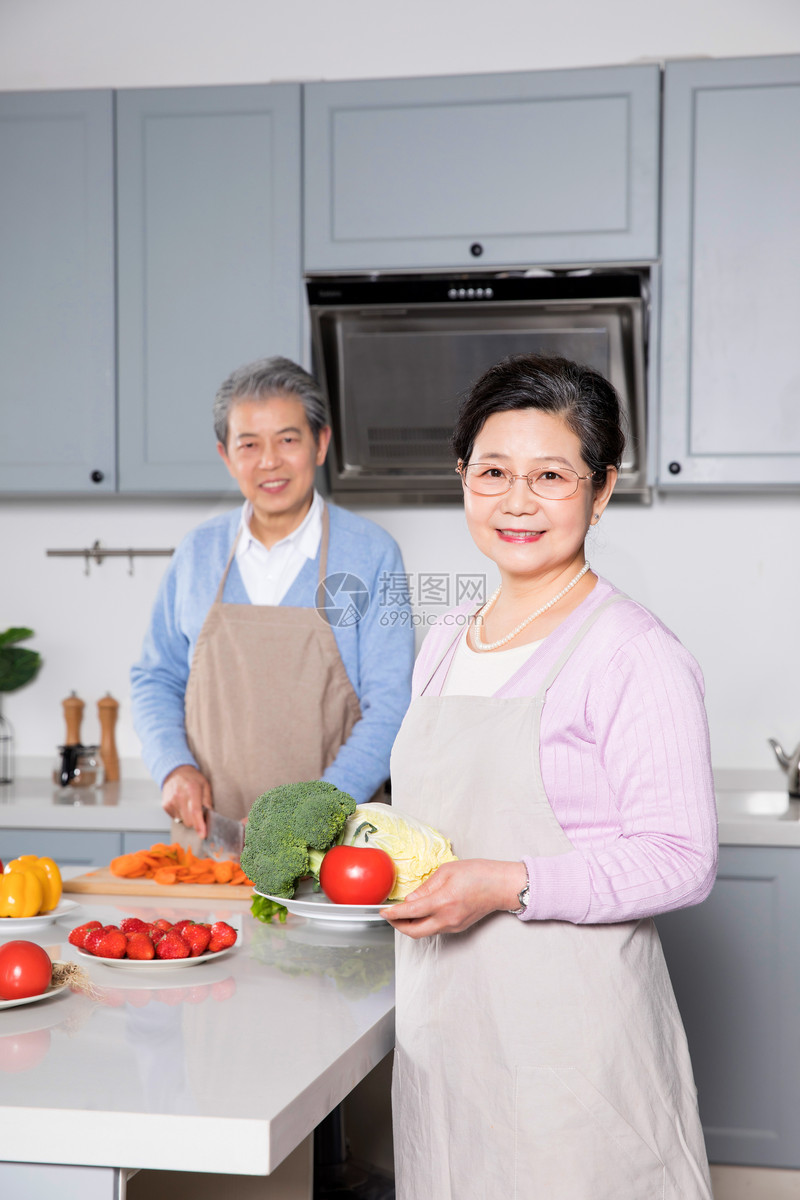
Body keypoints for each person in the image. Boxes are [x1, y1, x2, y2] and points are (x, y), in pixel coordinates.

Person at [381, 353, 717, 1199]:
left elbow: (682, 857)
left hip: (573, 1056)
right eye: (493, 471)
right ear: (463, 477)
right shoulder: (448, 636)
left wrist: (504, 884)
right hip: (445, 1035)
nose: (517, 500)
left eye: (551, 475)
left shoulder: (633, 653)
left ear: (600, 492)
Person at [131, 356, 414, 834]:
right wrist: (173, 767)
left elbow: (392, 707)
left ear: (320, 444)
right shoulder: (197, 552)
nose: (269, 461)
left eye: (287, 439)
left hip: (334, 848)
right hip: (209, 844)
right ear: (225, 455)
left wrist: (313, 812)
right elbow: (156, 677)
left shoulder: (371, 554)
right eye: (249, 444)